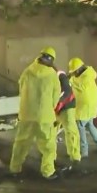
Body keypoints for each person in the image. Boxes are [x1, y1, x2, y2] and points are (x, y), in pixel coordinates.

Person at [9, 47, 62, 180]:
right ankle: (48, 172)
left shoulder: (27, 71)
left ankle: (15, 169)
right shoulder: (52, 75)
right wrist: (51, 109)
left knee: (21, 143)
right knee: (48, 146)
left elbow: (21, 89)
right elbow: (56, 97)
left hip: (26, 114)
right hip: (44, 117)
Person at [68, 57, 97, 156]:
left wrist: (70, 79)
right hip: (91, 106)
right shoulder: (89, 74)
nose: (73, 73)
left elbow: (78, 85)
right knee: (90, 125)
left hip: (83, 107)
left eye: (74, 71)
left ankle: (84, 151)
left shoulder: (82, 79)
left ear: (79, 69)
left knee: (80, 127)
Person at [55, 69, 81, 167]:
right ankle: (48, 154)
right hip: (58, 107)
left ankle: (75, 157)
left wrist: (57, 104)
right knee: (51, 130)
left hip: (67, 107)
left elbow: (66, 93)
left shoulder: (61, 77)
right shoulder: (50, 77)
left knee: (71, 130)